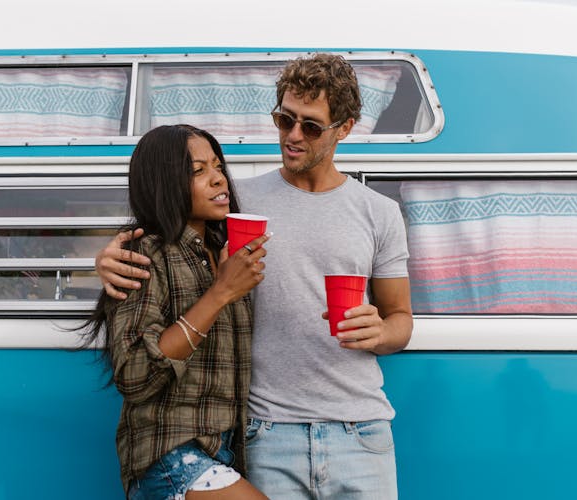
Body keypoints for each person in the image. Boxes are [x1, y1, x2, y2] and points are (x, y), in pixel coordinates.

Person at [96, 54, 413, 499]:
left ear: (344, 128)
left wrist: (380, 332)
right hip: (266, 431)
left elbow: (401, 320)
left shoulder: (379, 213)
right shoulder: (239, 203)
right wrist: (109, 256)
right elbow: (167, 227)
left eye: (311, 126)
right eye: (285, 120)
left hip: (360, 429)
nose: (293, 135)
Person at [81, 124, 270, 499]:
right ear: (165, 183)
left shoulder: (223, 252)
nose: (219, 180)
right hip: (171, 456)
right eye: (198, 171)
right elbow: (135, 375)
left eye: (218, 167)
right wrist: (219, 295)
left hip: (223, 452)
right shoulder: (145, 256)